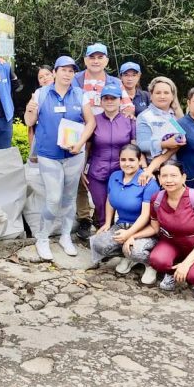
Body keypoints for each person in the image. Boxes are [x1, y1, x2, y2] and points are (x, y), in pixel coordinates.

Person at [23, 56, 95, 260]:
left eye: (71, 71)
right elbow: (29, 121)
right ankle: (42, 238)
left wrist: (80, 143)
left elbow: (90, 122)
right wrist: (29, 110)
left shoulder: (80, 95)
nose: (67, 74)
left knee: (69, 198)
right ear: (54, 72)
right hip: (49, 155)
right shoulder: (41, 94)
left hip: (74, 155)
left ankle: (65, 236)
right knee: (54, 198)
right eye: (63, 70)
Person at [71, 44, 135, 239]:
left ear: (106, 60)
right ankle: (84, 218)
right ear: (85, 60)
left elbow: (129, 108)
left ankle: (106, 225)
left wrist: (125, 117)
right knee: (81, 180)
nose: (96, 61)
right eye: (92, 57)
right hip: (78, 132)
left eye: (100, 57)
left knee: (111, 190)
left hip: (108, 131)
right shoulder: (75, 79)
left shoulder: (115, 82)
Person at [128, 161, 194, 302]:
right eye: (164, 176)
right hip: (171, 243)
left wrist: (186, 264)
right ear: (159, 178)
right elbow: (154, 228)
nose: (169, 180)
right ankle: (171, 273)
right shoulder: (157, 199)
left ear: (183, 177)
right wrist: (132, 236)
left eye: (174, 175)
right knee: (158, 260)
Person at [90, 144, 160, 284]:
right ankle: (127, 256)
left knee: (135, 251)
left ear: (140, 160)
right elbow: (110, 200)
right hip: (121, 224)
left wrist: (129, 234)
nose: (127, 164)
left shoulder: (148, 182)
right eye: (123, 160)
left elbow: (146, 215)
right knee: (99, 244)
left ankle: (150, 265)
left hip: (144, 229)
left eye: (131, 160)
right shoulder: (115, 176)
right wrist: (108, 223)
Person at [85, 84, 138, 228]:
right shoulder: (93, 120)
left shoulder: (129, 121)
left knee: (122, 205)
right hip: (97, 171)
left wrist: (139, 169)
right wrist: (82, 169)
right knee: (100, 205)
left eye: (113, 98)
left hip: (122, 171)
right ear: (101, 101)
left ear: (120, 100)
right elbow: (87, 147)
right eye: (106, 98)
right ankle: (104, 233)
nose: (109, 101)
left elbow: (135, 148)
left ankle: (122, 232)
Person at [137, 77, 187, 184]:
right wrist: (164, 144)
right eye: (158, 93)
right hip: (154, 172)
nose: (162, 96)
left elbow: (182, 139)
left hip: (177, 171)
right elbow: (142, 144)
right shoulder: (145, 116)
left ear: (172, 96)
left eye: (166, 93)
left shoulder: (176, 116)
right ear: (151, 96)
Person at [27, 65, 55, 162]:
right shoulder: (37, 94)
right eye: (41, 77)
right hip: (44, 139)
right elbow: (31, 124)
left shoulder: (67, 90)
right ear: (39, 81)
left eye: (47, 74)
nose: (45, 78)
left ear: (54, 74)